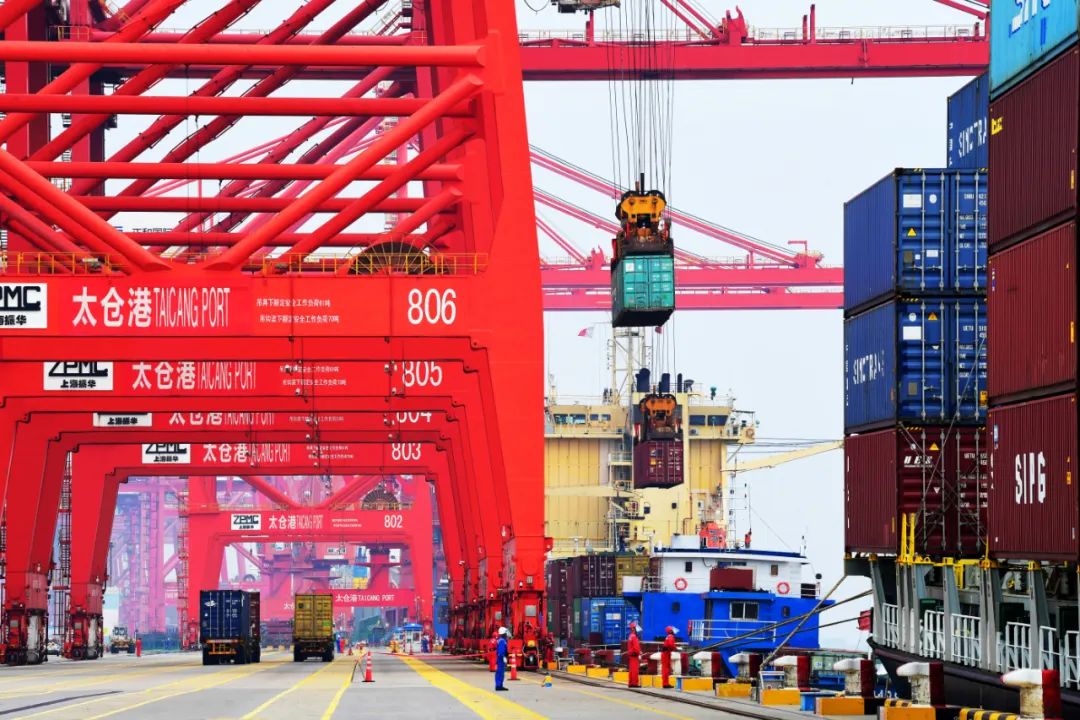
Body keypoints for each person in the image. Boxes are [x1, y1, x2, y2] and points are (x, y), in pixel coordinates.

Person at [626, 623, 642, 688]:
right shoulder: (634, 637)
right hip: (634, 655)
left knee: (631, 670)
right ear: (633, 628)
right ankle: (634, 683)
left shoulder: (630, 636)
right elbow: (636, 647)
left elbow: (631, 646)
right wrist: (639, 653)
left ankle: (631, 683)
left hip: (631, 655)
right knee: (635, 670)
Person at [494, 627, 509, 691]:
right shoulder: (502, 641)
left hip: (500, 659)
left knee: (499, 672)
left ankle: (499, 685)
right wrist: (503, 657)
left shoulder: (500, 640)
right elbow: (501, 651)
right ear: (504, 633)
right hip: (501, 659)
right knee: (500, 673)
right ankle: (499, 686)